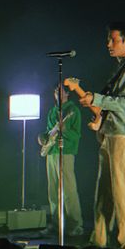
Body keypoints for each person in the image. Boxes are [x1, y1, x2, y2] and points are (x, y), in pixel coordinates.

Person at [79, 22, 125, 249]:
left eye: (113, 40)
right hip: (111, 134)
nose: (108, 44)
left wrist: (96, 98)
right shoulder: (123, 69)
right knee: (105, 193)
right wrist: (99, 116)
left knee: (124, 192)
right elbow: (114, 104)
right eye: (109, 40)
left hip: (124, 135)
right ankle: (98, 240)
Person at [39, 83, 84, 238]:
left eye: (61, 91)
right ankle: (55, 224)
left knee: (69, 190)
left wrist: (64, 130)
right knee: (53, 191)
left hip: (65, 153)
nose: (58, 93)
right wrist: (42, 138)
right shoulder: (52, 111)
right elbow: (48, 131)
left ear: (67, 94)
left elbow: (76, 135)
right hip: (51, 153)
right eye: (56, 91)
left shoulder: (73, 111)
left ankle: (76, 224)